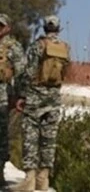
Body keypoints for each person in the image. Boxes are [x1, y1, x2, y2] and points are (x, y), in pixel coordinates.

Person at [13, 15, 71, 192]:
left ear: (44, 28)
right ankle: (43, 180)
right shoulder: (65, 48)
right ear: (58, 29)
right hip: (53, 99)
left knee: (30, 138)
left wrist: (21, 96)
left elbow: (28, 72)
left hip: (35, 97)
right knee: (49, 140)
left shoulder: (37, 46)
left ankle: (29, 181)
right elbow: (65, 72)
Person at [0, 14, 25, 188]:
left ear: (8, 28)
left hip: (3, 95)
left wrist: (20, 95)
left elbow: (21, 72)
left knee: (1, 135)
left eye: (1, 26)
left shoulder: (14, 47)